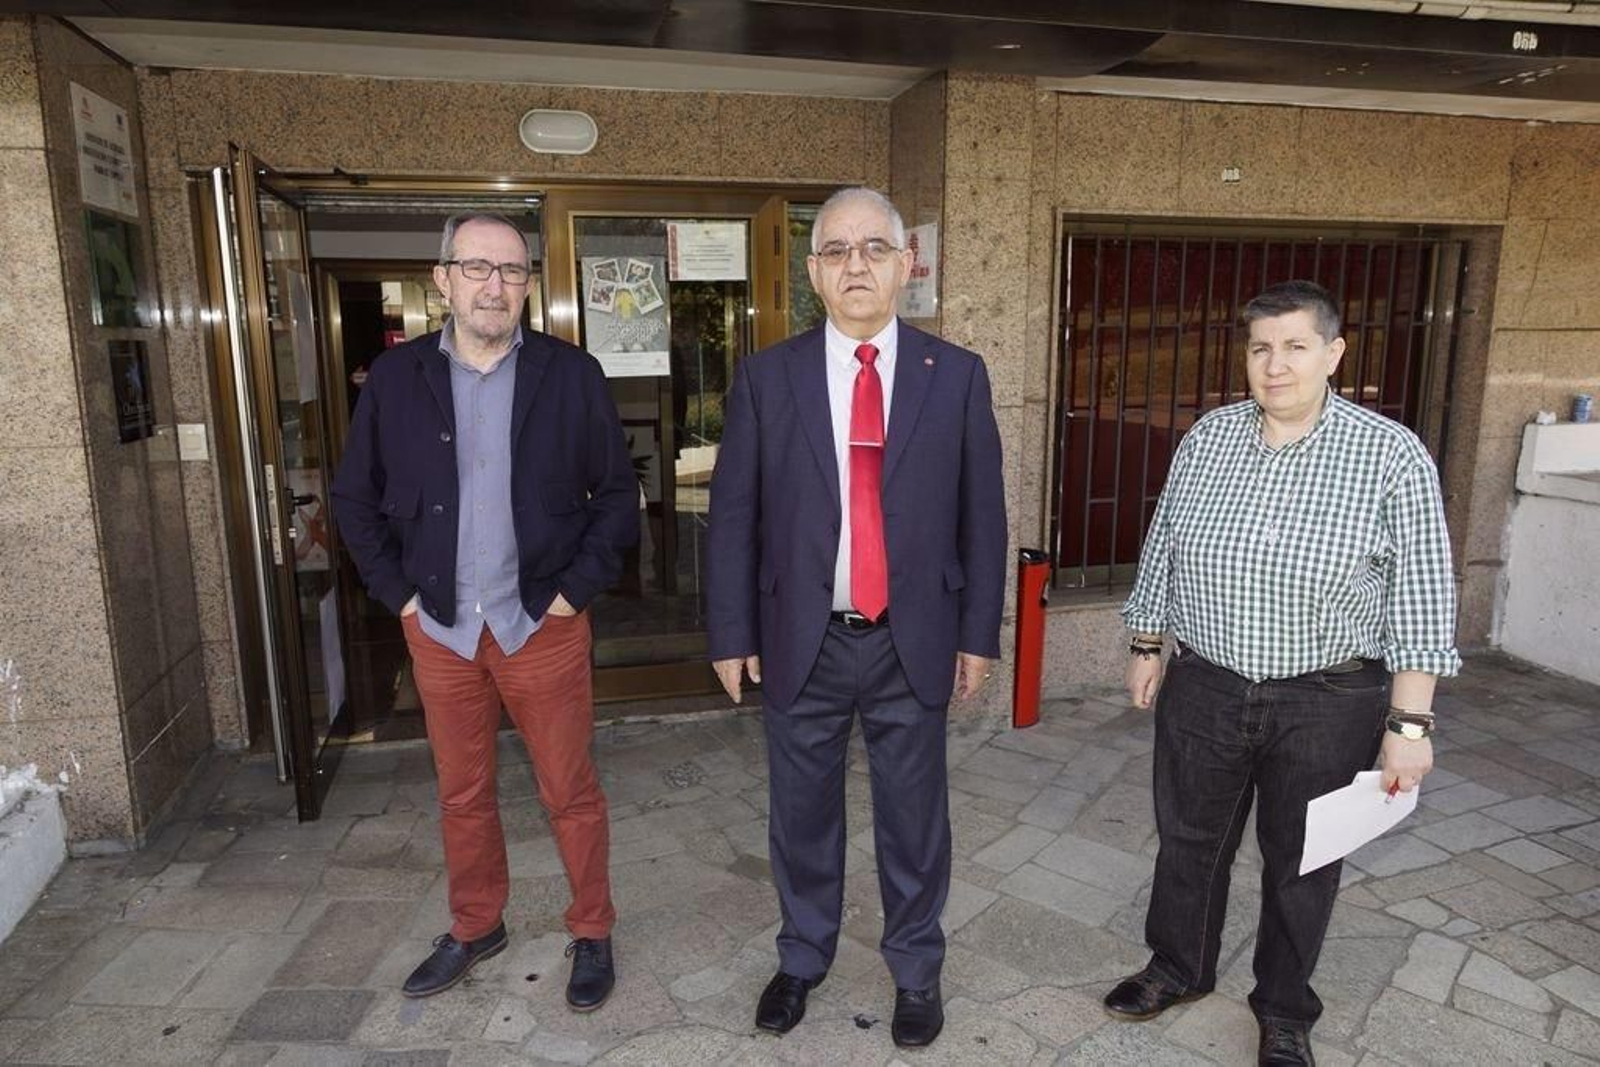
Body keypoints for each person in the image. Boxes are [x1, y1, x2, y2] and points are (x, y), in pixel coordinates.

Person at [1103, 280, 1459, 1066]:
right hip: (1207, 684)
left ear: (1333, 353)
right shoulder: (1210, 437)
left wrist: (1409, 725)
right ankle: (1178, 967)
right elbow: (1164, 541)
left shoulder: (1390, 454)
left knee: (1304, 860)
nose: (1276, 365)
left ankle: (1285, 1009)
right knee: (1189, 843)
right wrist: (1145, 640)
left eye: (1296, 346)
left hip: (1329, 697)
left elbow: (1424, 597)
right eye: (1262, 347)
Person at [706, 187, 1007, 1049]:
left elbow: (982, 517)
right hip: (801, 638)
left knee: (915, 819)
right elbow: (735, 515)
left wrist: (976, 633)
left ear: (907, 262)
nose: (856, 266)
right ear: (813, 274)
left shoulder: (956, 375)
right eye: (836, 251)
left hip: (912, 639)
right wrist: (731, 632)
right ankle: (802, 957)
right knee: (800, 814)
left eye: (874, 248)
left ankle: (916, 969)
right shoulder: (769, 376)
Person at [331, 212, 637, 1007]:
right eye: (477, 268)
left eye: (510, 270)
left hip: (541, 622)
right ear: (443, 281)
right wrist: (398, 596)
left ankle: (593, 928)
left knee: (569, 788)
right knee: (461, 791)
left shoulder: (571, 375)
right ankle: (476, 924)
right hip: (440, 627)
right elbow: (353, 499)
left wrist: (572, 595)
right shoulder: (396, 380)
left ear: (529, 286)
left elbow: (616, 496)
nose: (494, 284)